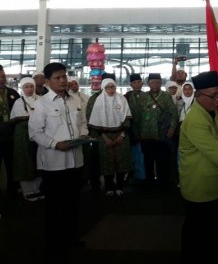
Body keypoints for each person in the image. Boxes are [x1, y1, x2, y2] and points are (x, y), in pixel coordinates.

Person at [28, 62, 89, 259]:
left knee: (73, 203)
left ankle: (71, 237)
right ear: (47, 82)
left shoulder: (75, 100)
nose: (63, 80)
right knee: (54, 206)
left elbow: (83, 124)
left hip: (75, 161)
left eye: (64, 76)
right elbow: (35, 133)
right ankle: (54, 244)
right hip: (54, 163)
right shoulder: (42, 103)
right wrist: (55, 144)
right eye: (57, 78)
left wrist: (84, 135)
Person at [179, 71, 218, 263]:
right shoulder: (196, 119)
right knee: (197, 235)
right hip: (200, 186)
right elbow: (216, 153)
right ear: (198, 95)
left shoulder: (210, 112)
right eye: (214, 96)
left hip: (212, 185)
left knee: (210, 233)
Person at [87, 78, 132, 196]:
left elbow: (127, 119)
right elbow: (96, 122)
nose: (111, 90)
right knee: (107, 162)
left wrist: (122, 135)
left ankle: (120, 186)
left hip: (121, 135)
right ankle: (108, 186)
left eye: (113, 87)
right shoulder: (98, 100)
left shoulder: (121, 99)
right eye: (108, 87)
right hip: (104, 136)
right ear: (103, 88)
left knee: (121, 160)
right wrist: (105, 137)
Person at [139, 73, 178, 189]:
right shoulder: (143, 96)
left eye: (157, 82)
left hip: (162, 135)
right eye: (152, 82)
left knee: (163, 161)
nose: (155, 85)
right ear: (148, 84)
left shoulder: (166, 96)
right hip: (146, 135)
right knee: (148, 161)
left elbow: (174, 114)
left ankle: (163, 184)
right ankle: (149, 183)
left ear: (161, 83)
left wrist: (172, 129)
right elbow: (138, 115)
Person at [10, 77, 42, 201]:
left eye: (31, 86)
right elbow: (17, 119)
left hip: (39, 135)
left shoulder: (41, 100)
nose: (29, 89)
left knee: (38, 161)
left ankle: (37, 189)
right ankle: (27, 190)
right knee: (25, 161)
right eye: (26, 87)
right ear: (22, 88)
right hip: (23, 136)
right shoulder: (19, 102)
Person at [0, 64, 21, 196]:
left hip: (10, 136)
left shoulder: (13, 93)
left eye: (2, 76)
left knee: (11, 165)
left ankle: (12, 191)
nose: (1, 79)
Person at [124, 73, 145, 183]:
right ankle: (130, 175)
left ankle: (141, 177)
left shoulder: (147, 96)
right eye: (134, 82)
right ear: (131, 84)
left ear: (142, 83)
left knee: (142, 155)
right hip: (130, 130)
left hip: (144, 130)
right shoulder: (125, 97)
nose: (137, 84)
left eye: (139, 82)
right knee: (131, 154)